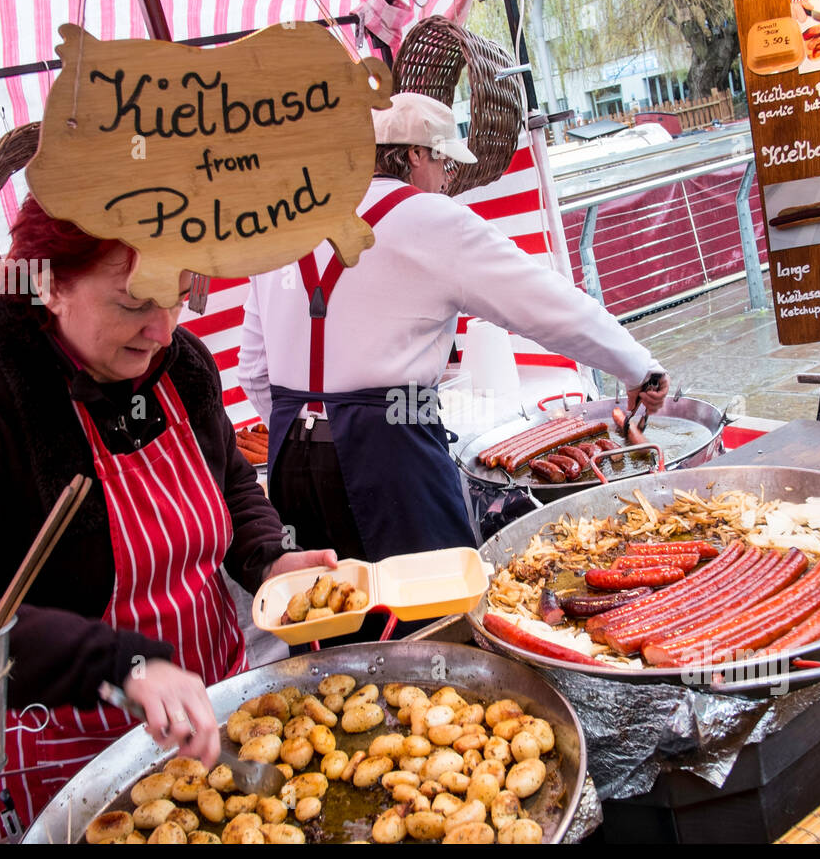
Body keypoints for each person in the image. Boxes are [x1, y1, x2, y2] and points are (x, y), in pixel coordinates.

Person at [0, 198, 332, 838]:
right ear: (49, 286)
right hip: (70, 754)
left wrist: (268, 555)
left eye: (181, 292)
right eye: (135, 303)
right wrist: (119, 664)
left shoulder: (180, 364)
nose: (163, 329)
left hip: (221, 715)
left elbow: (230, 479)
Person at [241, 92, 669, 570]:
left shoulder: (283, 222)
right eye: (446, 165)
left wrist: (309, 430)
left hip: (288, 461)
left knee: (330, 610)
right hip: (390, 456)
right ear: (414, 155)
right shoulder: (432, 219)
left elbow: (254, 371)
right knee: (433, 609)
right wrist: (639, 369)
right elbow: (547, 305)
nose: (448, 181)